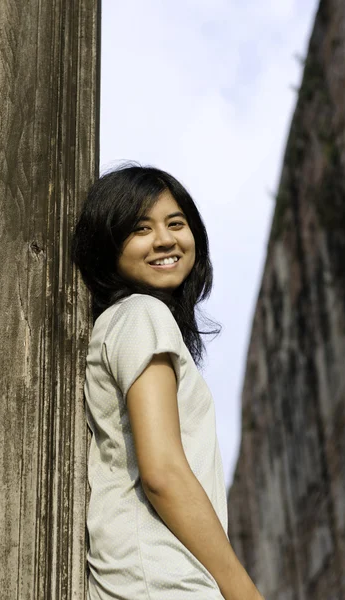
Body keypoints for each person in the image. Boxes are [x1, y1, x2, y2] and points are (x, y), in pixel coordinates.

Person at [72, 164, 264, 600]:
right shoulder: (143, 315)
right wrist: (241, 589)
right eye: (140, 228)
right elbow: (162, 472)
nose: (164, 239)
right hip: (163, 582)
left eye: (176, 223)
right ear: (108, 247)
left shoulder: (129, 322)